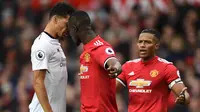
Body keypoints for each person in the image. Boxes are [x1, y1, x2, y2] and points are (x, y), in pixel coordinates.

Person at [116, 29, 190, 112]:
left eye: (147, 42)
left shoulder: (167, 67)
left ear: (156, 46)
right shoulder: (128, 66)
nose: (142, 45)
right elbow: (111, 89)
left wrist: (184, 97)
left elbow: (184, 94)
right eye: (140, 42)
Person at [67, 11, 122, 112]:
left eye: (69, 30)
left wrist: (116, 67)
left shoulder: (99, 47)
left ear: (74, 29)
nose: (69, 35)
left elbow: (112, 61)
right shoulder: (85, 53)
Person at [29, 3, 75, 112]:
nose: (69, 29)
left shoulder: (55, 43)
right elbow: (37, 82)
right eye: (67, 24)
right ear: (55, 20)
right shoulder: (42, 44)